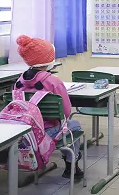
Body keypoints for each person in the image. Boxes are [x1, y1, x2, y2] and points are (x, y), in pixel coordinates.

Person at [14, 35, 84, 180]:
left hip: (24, 132)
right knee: (74, 125)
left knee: (69, 126)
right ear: (49, 60)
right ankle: (72, 164)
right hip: (47, 131)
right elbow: (65, 112)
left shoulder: (19, 82)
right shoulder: (53, 82)